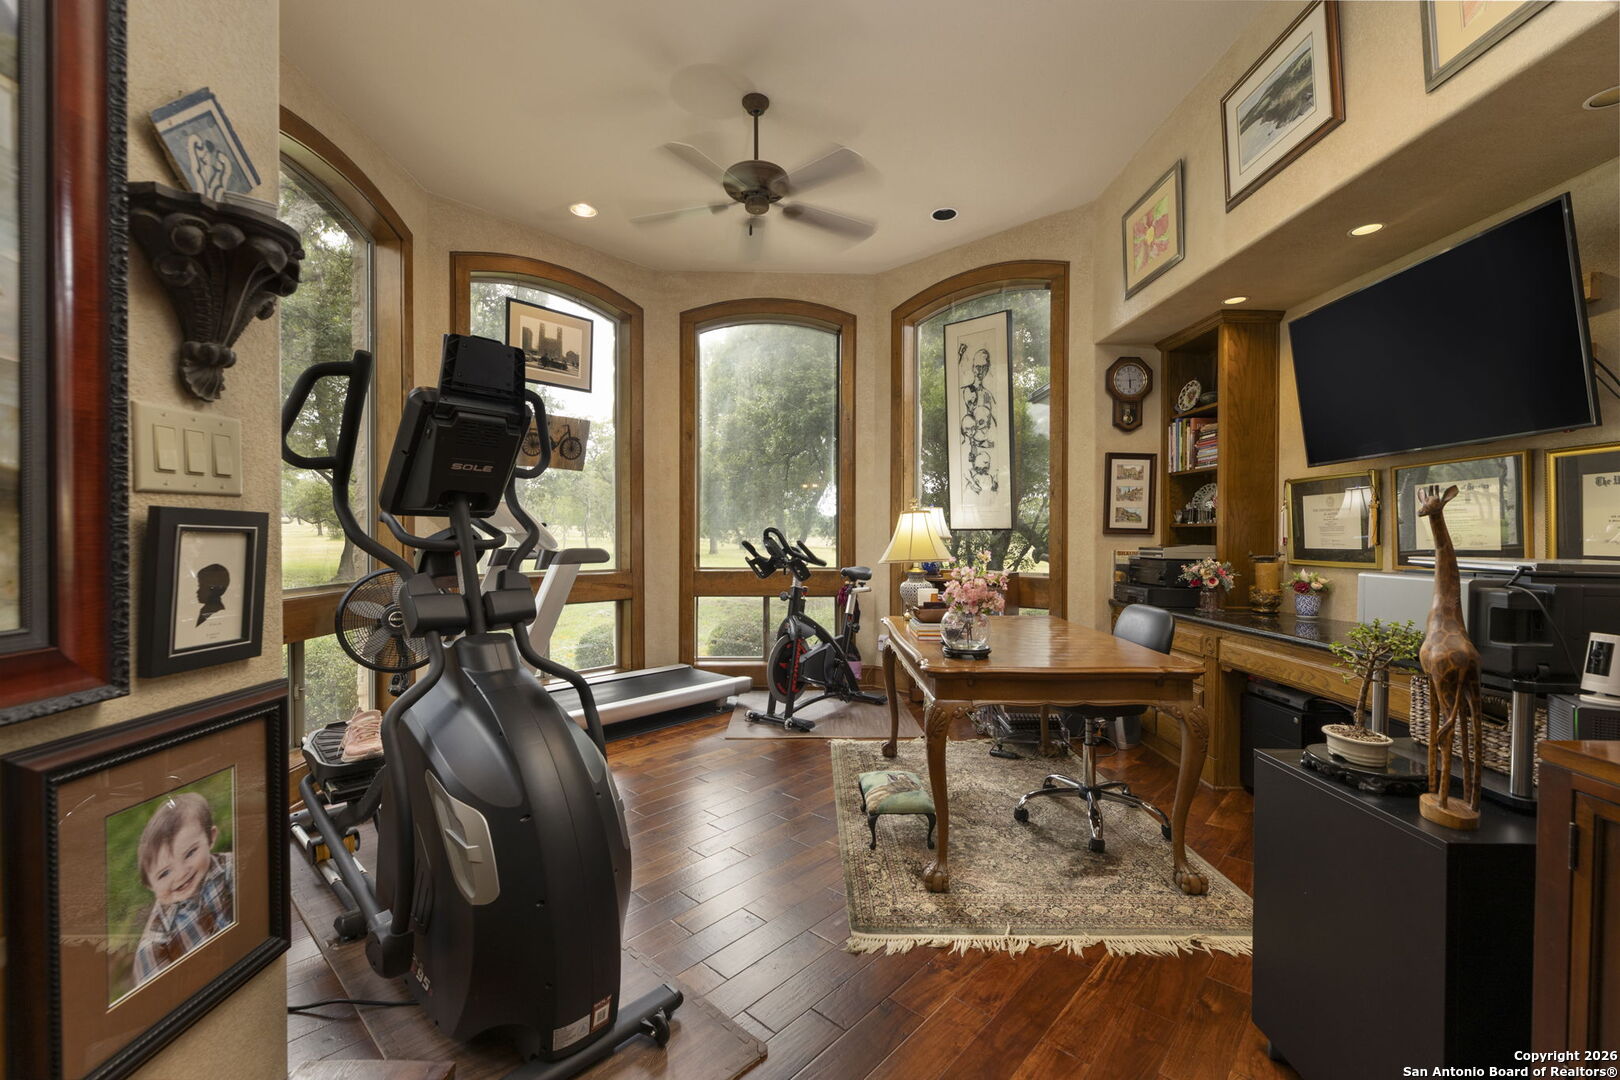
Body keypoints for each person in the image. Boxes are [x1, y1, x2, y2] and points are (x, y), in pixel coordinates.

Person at [131, 792, 234, 988]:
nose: (180, 874)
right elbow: (158, 1000)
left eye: (190, 853)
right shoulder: (154, 946)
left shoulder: (232, 868)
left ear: (210, 838)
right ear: (149, 885)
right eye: (164, 873)